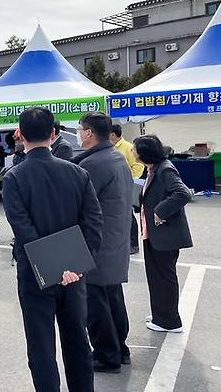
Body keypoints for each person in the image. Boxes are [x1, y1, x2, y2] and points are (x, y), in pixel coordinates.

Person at [3, 107, 103, 392]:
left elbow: (24, 229)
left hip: (35, 274)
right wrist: (77, 266)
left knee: (41, 347)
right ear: (53, 134)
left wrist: (52, 267)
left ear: (20, 135)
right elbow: (94, 224)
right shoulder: (77, 173)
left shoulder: (14, 177)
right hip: (75, 275)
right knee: (77, 341)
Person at [73, 112, 133, 373]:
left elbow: (78, 204)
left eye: (80, 129)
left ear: (88, 133)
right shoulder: (116, 158)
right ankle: (121, 349)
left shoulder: (94, 164)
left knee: (95, 304)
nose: (78, 133)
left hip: (97, 245)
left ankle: (107, 355)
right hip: (115, 241)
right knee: (113, 298)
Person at [134, 135, 193, 333]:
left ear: (144, 152)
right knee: (156, 276)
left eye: (135, 149)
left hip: (166, 235)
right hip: (154, 233)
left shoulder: (165, 169)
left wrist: (160, 210)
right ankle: (161, 314)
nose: (132, 152)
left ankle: (170, 321)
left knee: (164, 277)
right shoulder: (153, 169)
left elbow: (183, 193)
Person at [111, 124, 145, 255]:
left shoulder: (128, 147)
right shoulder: (111, 147)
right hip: (115, 187)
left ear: (113, 134)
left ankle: (134, 244)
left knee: (129, 215)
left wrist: (130, 179)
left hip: (126, 186)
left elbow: (138, 166)